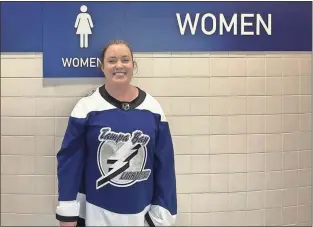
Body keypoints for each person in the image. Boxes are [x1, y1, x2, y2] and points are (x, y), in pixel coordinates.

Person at [55, 40, 177, 226]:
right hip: (95, 212)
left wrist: (161, 215)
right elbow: (70, 162)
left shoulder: (153, 108)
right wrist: (68, 212)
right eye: (112, 61)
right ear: (102, 66)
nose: (119, 65)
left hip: (140, 213)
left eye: (125, 60)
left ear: (133, 66)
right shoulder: (86, 107)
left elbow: (165, 166)